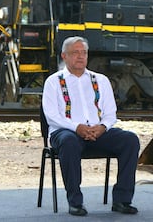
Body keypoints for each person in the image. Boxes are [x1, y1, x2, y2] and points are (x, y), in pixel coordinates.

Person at [42, 36, 140, 216]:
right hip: (65, 133)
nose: (80, 57)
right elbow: (52, 116)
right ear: (64, 56)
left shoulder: (101, 80)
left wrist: (102, 127)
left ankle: (122, 200)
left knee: (130, 140)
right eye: (75, 53)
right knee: (69, 142)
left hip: (98, 132)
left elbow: (111, 114)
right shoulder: (53, 82)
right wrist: (77, 127)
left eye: (84, 53)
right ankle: (76, 202)